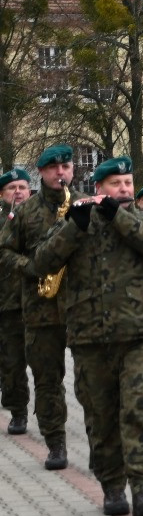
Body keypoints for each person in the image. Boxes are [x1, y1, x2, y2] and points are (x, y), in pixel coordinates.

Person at [34, 156, 143, 516]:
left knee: (138, 408)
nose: (125, 190)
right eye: (116, 184)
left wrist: (120, 217)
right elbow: (42, 263)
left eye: (128, 183)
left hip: (140, 335)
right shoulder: (76, 221)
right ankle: (112, 486)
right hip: (90, 337)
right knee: (101, 415)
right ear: (99, 189)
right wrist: (73, 228)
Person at [0, 145, 87, 470]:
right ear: (42, 172)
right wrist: (31, 266)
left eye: (65, 166)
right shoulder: (26, 212)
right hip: (40, 308)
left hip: (82, 307)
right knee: (47, 380)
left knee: (90, 382)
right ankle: (55, 443)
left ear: (72, 170)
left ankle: (100, 446)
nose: (60, 173)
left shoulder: (84, 205)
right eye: (53, 168)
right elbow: (5, 251)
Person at [0, 169, 31, 435]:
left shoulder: (42, 218)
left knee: (48, 366)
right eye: (12, 188)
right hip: (8, 304)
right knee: (12, 363)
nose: (18, 192)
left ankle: (50, 415)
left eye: (23, 186)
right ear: (2, 194)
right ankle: (18, 411)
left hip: (42, 303)